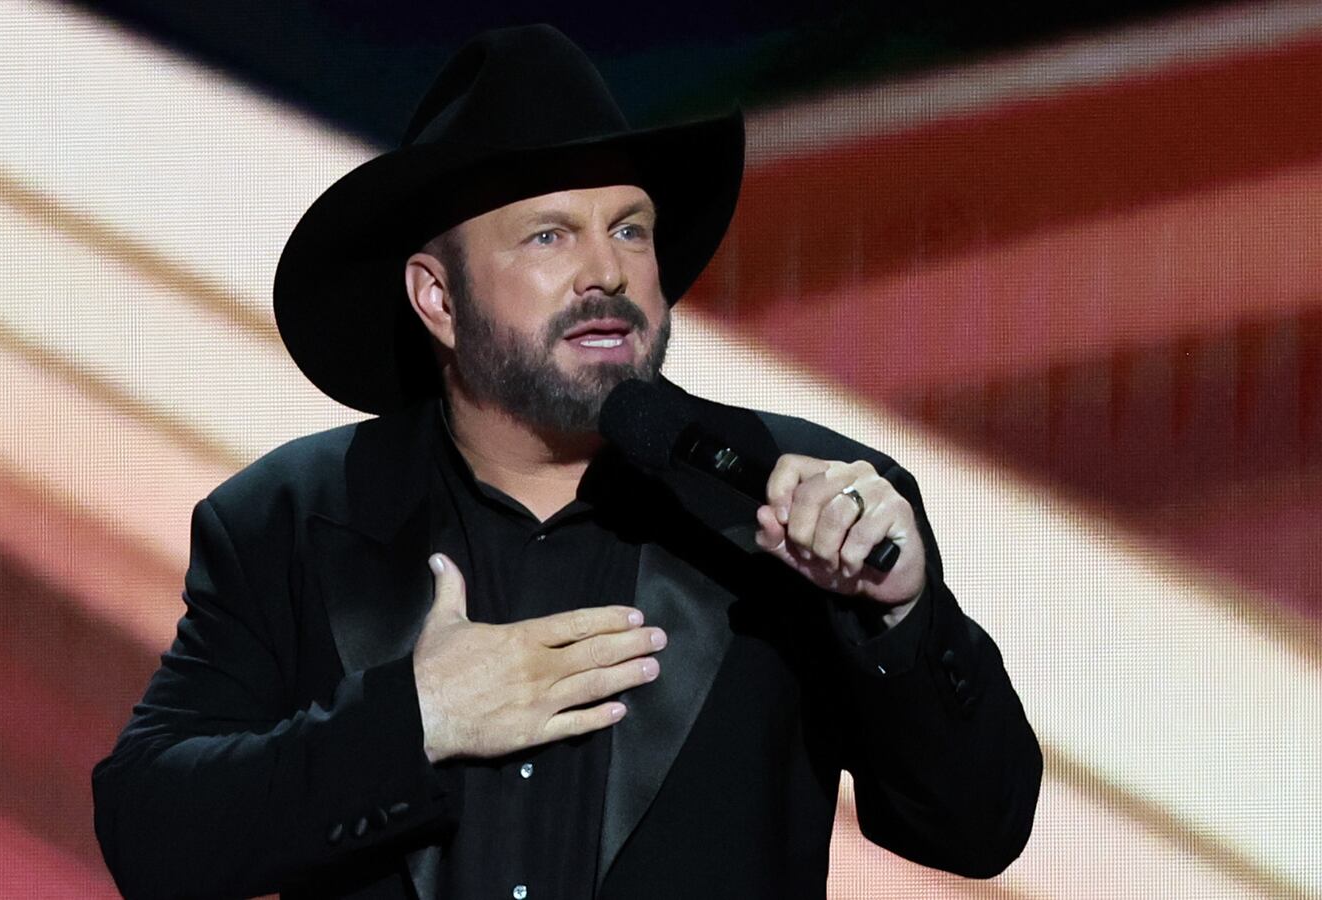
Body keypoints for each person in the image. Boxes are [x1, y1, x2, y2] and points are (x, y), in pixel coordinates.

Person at [92, 23, 1041, 900]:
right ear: (437, 297)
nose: (607, 271)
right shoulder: (287, 520)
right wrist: (410, 722)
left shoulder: (799, 496)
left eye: (630, 228)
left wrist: (902, 616)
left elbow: (977, 829)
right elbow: (151, 831)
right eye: (550, 235)